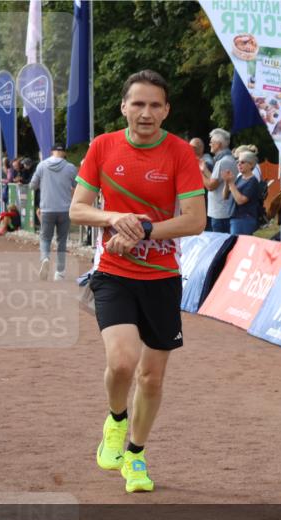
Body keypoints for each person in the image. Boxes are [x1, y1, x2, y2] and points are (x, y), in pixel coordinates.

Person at [69, 69, 206, 493]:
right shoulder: (103, 146)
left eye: (154, 105)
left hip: (163, 276)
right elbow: (77, 209)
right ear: (124, 107)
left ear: (166, 111)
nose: (146, 113)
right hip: (113, 271)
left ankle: (136, 455)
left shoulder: (181, 153)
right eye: (138, 104)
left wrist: (143, 230)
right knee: (123, 362)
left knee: (151, 378)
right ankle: (115, 419)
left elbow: (195, 220)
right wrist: (115, 219)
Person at [30, 143, 79, 281]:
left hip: (46, 208)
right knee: (62, 240)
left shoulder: (42, 166)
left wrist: (44, 184)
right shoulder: (70, 168)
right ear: (63, 153)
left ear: (52, 152)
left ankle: (45, 258)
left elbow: (32, 185)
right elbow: (78, 185)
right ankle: (60, 272)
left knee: (45, 238)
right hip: (64, 209)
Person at [200, 128, 236, 233]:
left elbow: (211, 186)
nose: (209, 144)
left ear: (218, 144)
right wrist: (204, 170)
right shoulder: (227, 159)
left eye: (211, 142)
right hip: (222, 211)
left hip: (220, 213)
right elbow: (216, 179)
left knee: (221, 246)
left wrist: (198, 173)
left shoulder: (222, 162)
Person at [222, 151, 266, 236]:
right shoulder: (240, 178)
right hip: (235, 218)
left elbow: (241, 200)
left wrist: (231, 183)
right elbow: (225, 196)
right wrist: (227, 182)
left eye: (242, 162)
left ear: (251, 165)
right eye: (238, 162)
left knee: (239, 245)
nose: (239, 164)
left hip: (244, 220)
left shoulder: (252, 181)